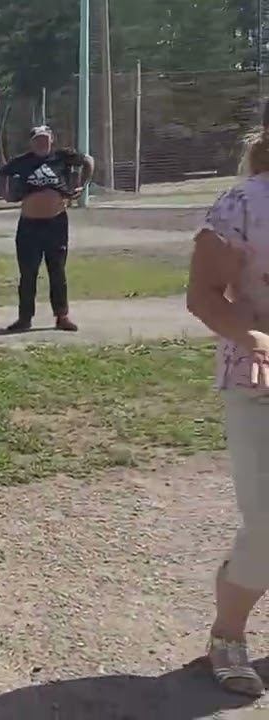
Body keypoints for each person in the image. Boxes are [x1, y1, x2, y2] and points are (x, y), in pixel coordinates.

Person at [185, 122, 269, 698]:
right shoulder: (243, 205)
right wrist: (252, 335)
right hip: (259, 380)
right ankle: (227, 635)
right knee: (268, 527)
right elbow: (203, 295)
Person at [0, 126, 94, 333]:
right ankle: (24, 318)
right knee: (28, 273)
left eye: (45, 139)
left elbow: (88, 161)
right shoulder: (22, 162)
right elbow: (2, 173)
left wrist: (82, 185)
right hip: (29, 225)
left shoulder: (62, 158)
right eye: (37, 139)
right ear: (31, 142)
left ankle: (62, 316)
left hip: (56, 223)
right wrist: (6, 194)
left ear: (52, 140)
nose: (41, 143)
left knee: (57, 270)